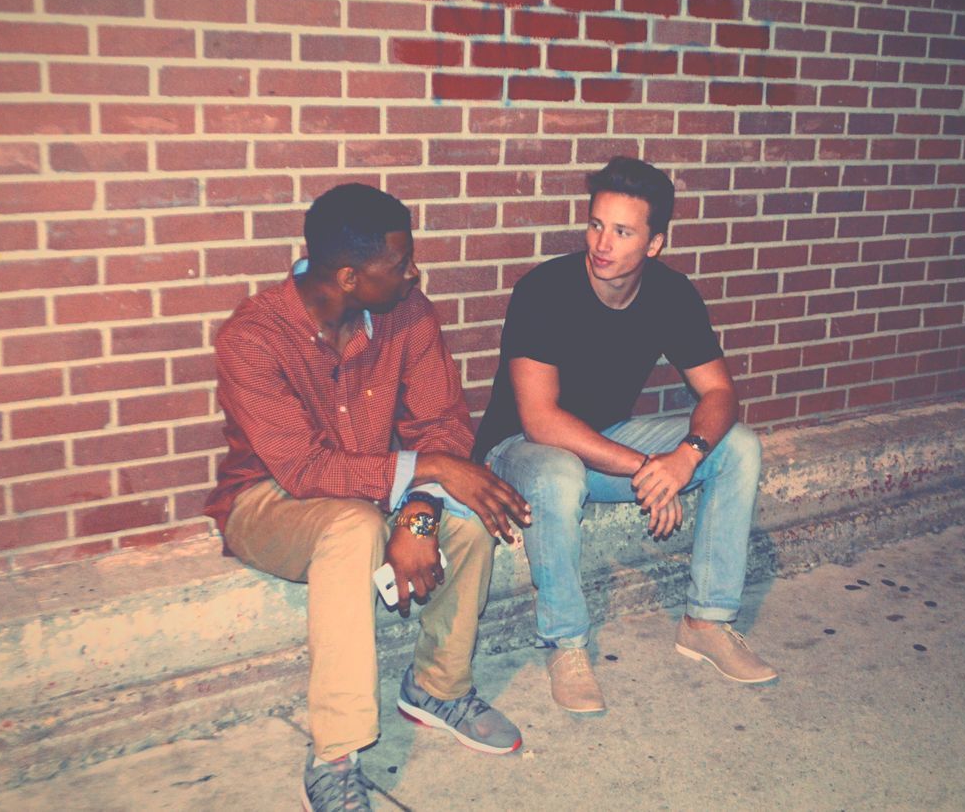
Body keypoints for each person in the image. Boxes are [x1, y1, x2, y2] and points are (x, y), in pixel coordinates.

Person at [205, 183, 531, 811]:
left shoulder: (408, 311)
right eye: (400, 263)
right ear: (349, 276)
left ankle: (437, 688)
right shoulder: (253, 336)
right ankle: (335, 751)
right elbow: (303, 468)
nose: (415, 273)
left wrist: (422, 509)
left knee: (470, 517)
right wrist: (427, 470)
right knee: (354, 527)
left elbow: (440, 425)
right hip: (269, 501)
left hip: (378, 487)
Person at [473, 156, 774, 715]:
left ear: (655, 243)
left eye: (622, 231)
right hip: (519, 450)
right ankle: (566, 643)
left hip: (603, 437)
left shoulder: (672, 293)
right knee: (560, 473)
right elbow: (540, 420)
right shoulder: (543, 290)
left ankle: (706, 622)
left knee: (739, 445)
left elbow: (721, 395)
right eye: (595, 224)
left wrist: (684, 458)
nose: (601, 243)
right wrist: (646, 468)